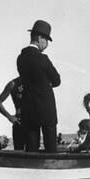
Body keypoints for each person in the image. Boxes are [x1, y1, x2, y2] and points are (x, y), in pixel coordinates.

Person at [17, 19, 61, 152]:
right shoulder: (43, 58)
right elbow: (57, 80)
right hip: (46, 107)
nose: (47, 44)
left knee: (31, 148)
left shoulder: (20, 58)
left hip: (28, 108)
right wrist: (45, 83)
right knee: (51, 148)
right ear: (39, 37)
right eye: (46, 40)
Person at [0, 77, 25, 150]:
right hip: (19, 123)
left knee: (33, 152)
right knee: (19, 153)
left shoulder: (36, 81)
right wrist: (9, 117)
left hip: (33, 125)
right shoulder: (13, 84)